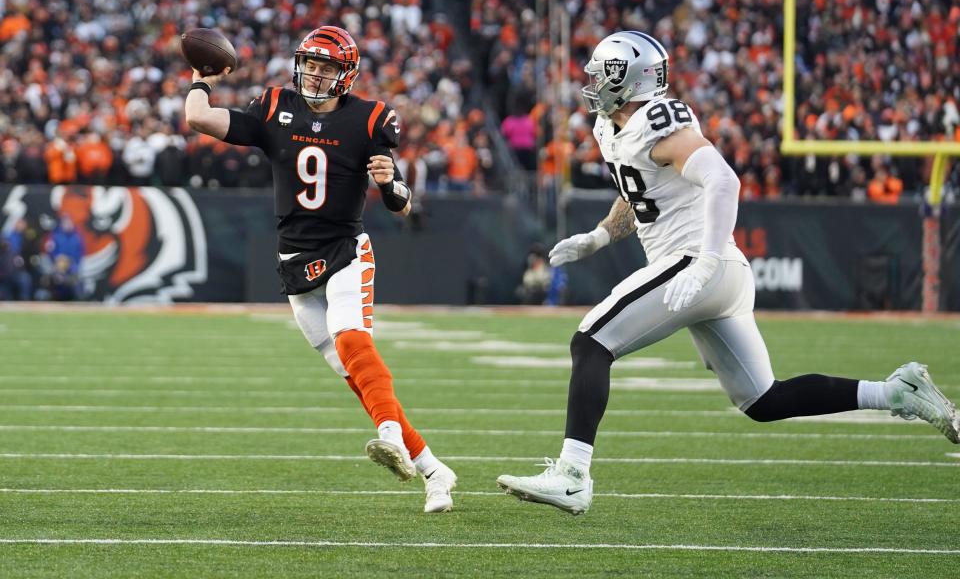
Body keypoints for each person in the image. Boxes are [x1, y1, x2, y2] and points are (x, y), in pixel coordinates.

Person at [496, 31, 960, 515]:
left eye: (599, 72)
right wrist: (598, 237)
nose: (591, 80)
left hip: (700, 262)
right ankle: (897, 391)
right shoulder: (613, 129)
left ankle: (572, 476)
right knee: (763, 399)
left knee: (591, 341)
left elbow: (723, 179)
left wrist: (705, 260)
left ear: (624, 78)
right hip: (714, 273)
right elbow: (642, 193)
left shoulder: (659, 119)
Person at [184, 25, 457, 513]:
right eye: (309, 63)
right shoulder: (274, 108)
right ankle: (436, 471)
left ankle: (391, 437)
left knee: (354, 340)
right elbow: (198, 117)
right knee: (356, 377)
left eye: (325, 66)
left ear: (345, 74)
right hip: (294, 264)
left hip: (345, 250)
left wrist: (391, 185)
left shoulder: (370, 119)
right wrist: (202, 76)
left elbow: (401, 203)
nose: (313, 73)